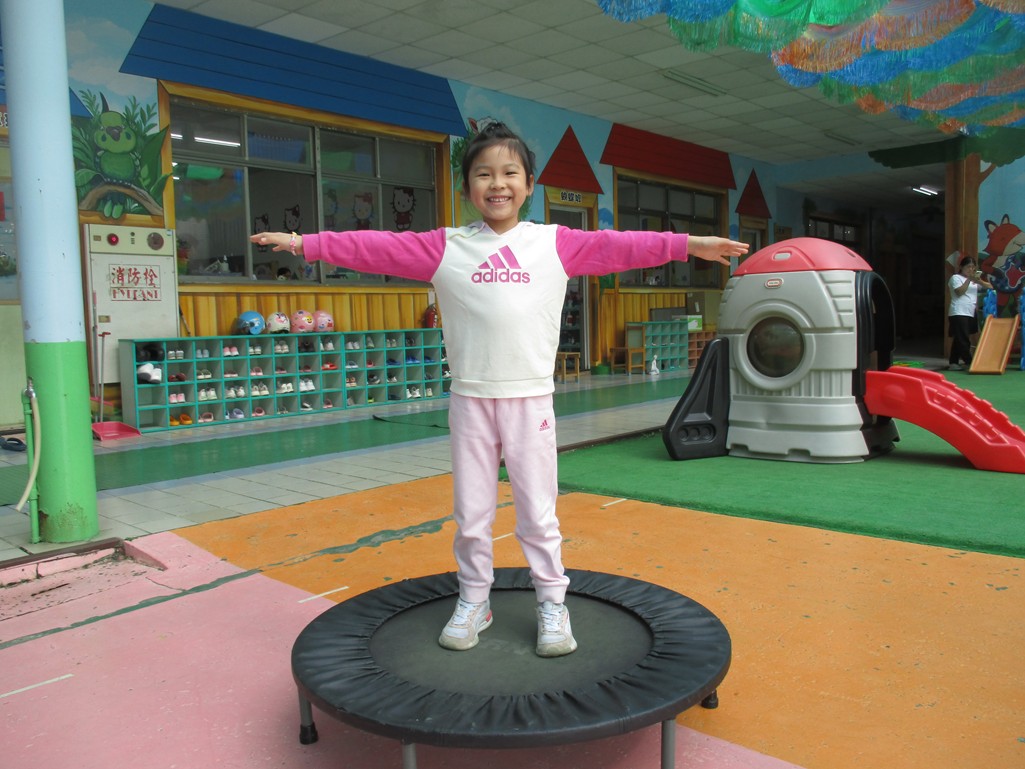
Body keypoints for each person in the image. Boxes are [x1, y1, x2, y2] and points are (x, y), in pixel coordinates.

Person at [251, 122, 749, 657]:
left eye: (510, 173)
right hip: (470, 401)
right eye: (484, 174)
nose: (497, 184)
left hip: (530, 402)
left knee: (538, 514)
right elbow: (375, 247)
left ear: (528, 184)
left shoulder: (554, 243)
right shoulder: (446, 247)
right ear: (468, 186)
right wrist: (304, 243)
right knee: (471, 516)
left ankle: (552, 603)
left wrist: (690, 244)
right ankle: (474, 600)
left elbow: (622, 245)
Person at [947, 255, 992, 370]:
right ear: (961, 267)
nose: (971, 269)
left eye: (973, 267)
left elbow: (991, 287)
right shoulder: (955, 278)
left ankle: (953, 363)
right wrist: (969, 280)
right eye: (968, 267)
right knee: (963, 340)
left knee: (959, 338)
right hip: (958, 311)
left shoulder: (974, 281)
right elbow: (959, 292)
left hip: (970, 312)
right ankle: (970, 362)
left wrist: (979, 281)